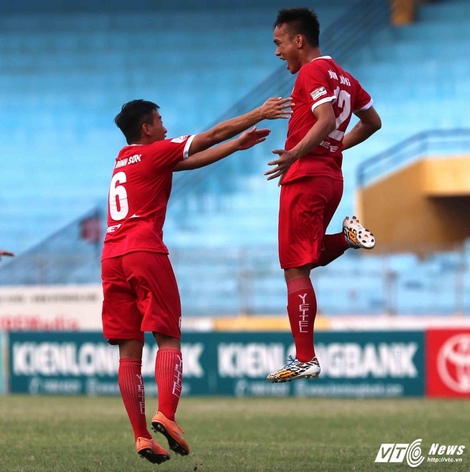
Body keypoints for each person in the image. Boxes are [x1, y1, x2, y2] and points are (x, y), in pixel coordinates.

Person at [101, 97, 291, 464]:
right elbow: (209, 136)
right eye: (159, 120)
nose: (165, 127)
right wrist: (258, 113)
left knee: (129, 351)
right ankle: (167, 415)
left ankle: (141, 436)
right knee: (168, 336)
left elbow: (186, 163)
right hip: (143, 251)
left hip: (111, 256)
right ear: (146, 128)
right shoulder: (155, 151)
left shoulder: (123, 159)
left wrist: (235, 146)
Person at [265, 7, 382, 383]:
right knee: (305, 257)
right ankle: (347, 238)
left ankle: (305, 358)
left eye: (279, 43)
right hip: (331, 176)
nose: (277, 52)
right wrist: (337, 148)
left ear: (299, 40)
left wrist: (295, 154)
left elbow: (326, 120)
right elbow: (373, 122)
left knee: (294, 268)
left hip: (307, 175)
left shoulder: (312, 71)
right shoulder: (345, 77)